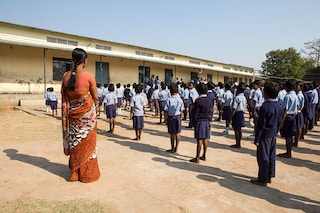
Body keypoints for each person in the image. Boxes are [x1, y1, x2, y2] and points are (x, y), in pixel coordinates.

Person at [61, 48, 100, 183]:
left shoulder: (65, 76)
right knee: (88, 144)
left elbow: (65, 97)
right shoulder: (88, 76)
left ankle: (75, 173)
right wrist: (97, 107)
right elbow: (95, 96)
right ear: (85, 60)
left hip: (72, 118)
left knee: (75, 143)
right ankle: (86, 174)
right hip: (87, 119)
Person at [251, 82, 283, 187]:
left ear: (266, 94)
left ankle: (262, 179)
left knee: (263, 156)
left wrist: (257, 138)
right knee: (271, 156)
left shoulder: (265, 106)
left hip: (265, 135)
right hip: (273, 134)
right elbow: (279, 122)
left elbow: (261, 125)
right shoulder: (279, 106)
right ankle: (269, 176)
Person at [278, 79, 299, 158]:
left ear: (286, 87)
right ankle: (288, 152)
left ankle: (288, 153)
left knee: (288, 136)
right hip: (293, 117)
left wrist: (282, 122)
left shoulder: (287, 96)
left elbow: (285, 110)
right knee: (290, 136)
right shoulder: (295, 96)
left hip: (288, 117)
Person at [190, 83, 210, 163]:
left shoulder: (198, 101)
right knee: (205, 138)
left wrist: (193, 122)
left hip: (199, 121)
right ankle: (204, 155)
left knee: (199, 140)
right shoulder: (208, 100)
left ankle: (197, 157)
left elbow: (195, 113)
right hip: (206, 120)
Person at [164, 83, 184, 153]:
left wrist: (165, 119)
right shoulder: (180, 100)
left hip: (171, 117)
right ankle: (177, 147)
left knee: (172, 133)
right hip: (178, 116)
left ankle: (172, 148)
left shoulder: (168, 99)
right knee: (177, 133)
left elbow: (166, 110)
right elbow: (182, 110)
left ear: (170, 91)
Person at [229, 82, 247, 148]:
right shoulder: (244, 97)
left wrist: (231, 117)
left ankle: (237, 144)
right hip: (241, 113)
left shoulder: (237, 98)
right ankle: (239, 143)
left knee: (236, 129)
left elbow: (234, 108)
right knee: (239, 129)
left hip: (237, 113)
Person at [294, 81, 304, 147]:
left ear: (300, 87)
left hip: (297, 112)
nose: (295, 87)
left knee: (298, 127)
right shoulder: (299, 94)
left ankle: (296, 141)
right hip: (299, 111)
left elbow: (297, 105)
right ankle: (296, 141)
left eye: (297, 86)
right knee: (298, 127)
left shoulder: (298, 95)